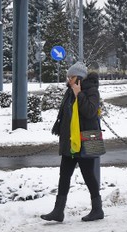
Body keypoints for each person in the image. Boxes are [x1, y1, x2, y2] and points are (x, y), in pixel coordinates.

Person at [41, 61, 104, 222]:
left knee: (88, 175)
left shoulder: (91, 91)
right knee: (64, 175)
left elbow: (89, 111)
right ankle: (58, 211)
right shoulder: (70, 91)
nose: (68, 79)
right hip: (70, 141)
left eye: (72, 76)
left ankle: (97, 209)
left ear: (80, 78)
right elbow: (65, 115)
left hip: (84, 140)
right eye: (68, 76)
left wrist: (79, 94)